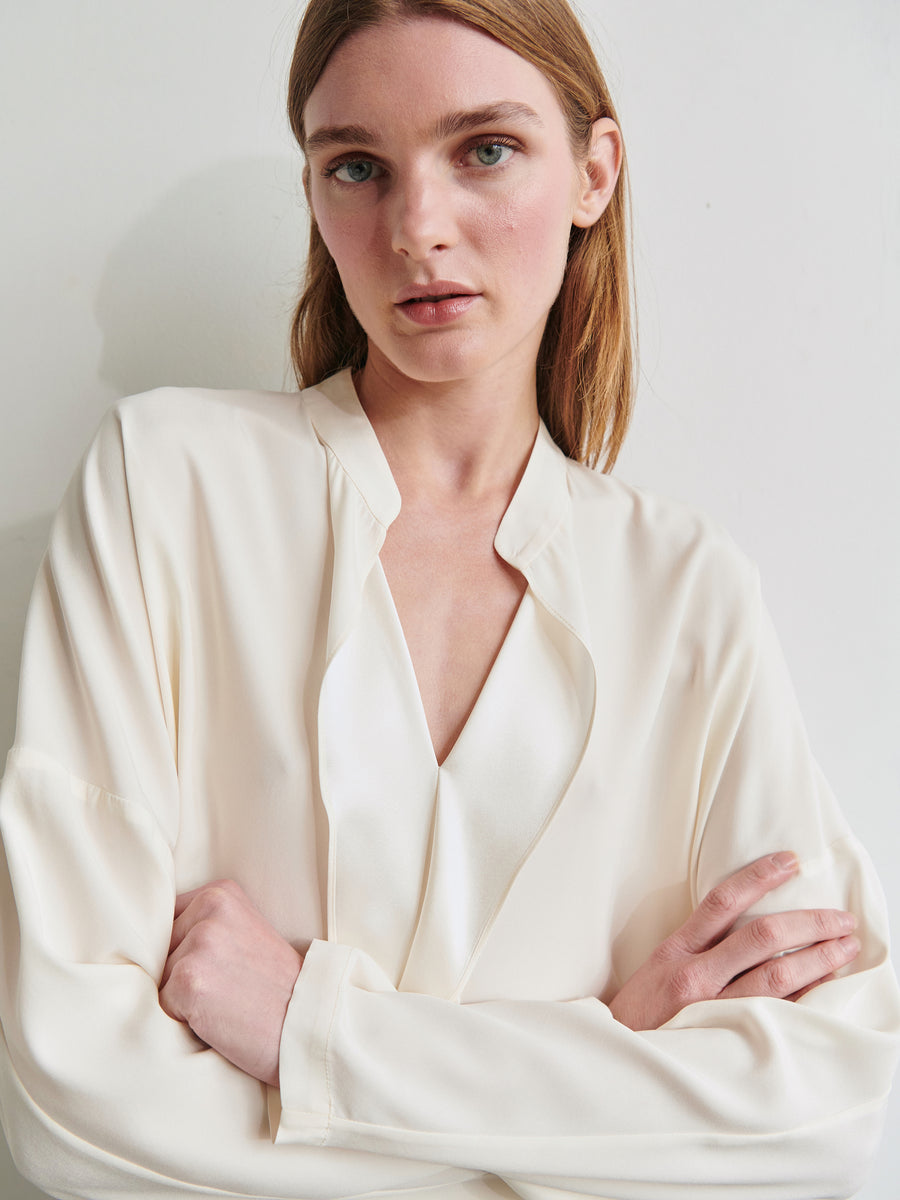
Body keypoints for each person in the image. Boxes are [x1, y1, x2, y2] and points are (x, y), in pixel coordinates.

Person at [0, 0, 898, 1197]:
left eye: (484, 148)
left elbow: (824, 1118)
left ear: (594, 171)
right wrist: (598, 1068)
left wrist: (313, 1037)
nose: (418, 229)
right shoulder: (163, 487)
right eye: (358, 167)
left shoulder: (687, 593)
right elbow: (72, 1105)